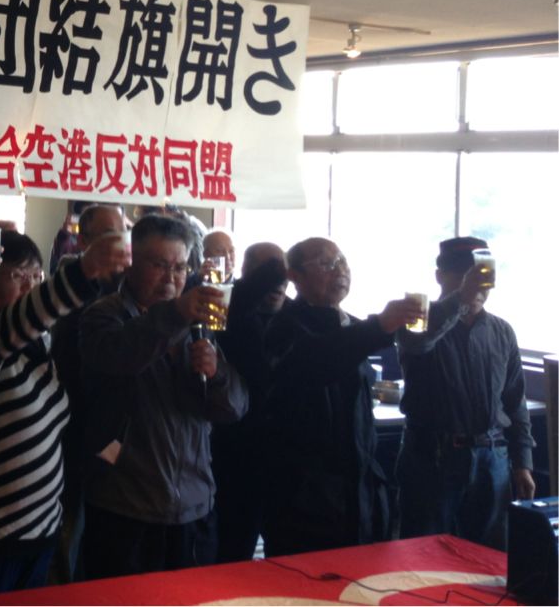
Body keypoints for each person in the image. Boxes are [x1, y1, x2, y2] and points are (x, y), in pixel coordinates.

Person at [0, 230, 126, 600]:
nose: (31, 285)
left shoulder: (39, 342)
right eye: (18, 275)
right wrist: (83, 270)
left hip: (36, 531)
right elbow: (19, 320)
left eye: (37, 275)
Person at [78, 213, 247, 578]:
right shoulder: (103, 316)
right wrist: (176, 314)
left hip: (195, 506)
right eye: (159, 265)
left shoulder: (197, 322)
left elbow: (234, 408)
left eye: (180, 267)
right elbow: (121, 355)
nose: (171, 278)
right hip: (125, 507)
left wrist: (216, 374)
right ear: (131, 263)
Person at [261, 237, 423, 557]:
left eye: (343, 262)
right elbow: (317, 361)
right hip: (305, 497)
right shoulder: (284, 325)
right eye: (326, 264)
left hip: (359, 488)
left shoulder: (350, 323)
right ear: (295, 276)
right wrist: (379, 326)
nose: (340, 271)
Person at [396, 237, 535, 550]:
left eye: (479, 276)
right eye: (461, 275)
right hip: (433, 458)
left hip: (492, 458)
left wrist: (522, 462)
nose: (473, 284)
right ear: (439, 276)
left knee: (489, 559)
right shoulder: (418, 319)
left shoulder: (502, 330)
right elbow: (417, 343)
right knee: (424, 556)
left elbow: (515, 401)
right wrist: (461, 299)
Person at [47, 202, 129, 586]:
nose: (119, 242)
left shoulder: (134, 287)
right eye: (108, 234)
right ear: (84, 241)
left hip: (117, 431)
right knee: (69, 523)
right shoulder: (70, 288)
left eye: (123, 232)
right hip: (75, 423)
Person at [211, 242, 288, 561]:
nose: (277, 285)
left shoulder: (294, 316)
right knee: (234, 549)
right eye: (268, 273)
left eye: (283, 276)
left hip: (284, 455)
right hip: (235, 450)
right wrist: (276, 272)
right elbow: (236, 301)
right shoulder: (227, 308)